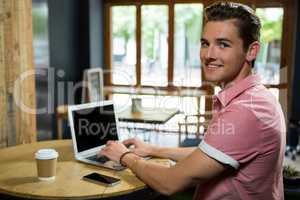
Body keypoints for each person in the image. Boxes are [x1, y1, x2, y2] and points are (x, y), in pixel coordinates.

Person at [99, 2, 286, 199]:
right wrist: (152, 149)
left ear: (251, 51)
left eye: (223, 44)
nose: (208, 55)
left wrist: (124, 156)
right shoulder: (255, 97)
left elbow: (170, 182)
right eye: (205, 43)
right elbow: (206, 154)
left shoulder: (247, 110)